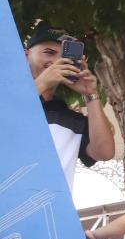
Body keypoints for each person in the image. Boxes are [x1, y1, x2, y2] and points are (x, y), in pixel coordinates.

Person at [25, 24, 117, 188]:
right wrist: (41, 84)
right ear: (26, 56)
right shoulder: (8, 97)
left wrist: (91, 94)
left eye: (65, 56)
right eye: (49, 53)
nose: (57, 61)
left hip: (48, 209)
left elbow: (104, 152)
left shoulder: (70, 118)